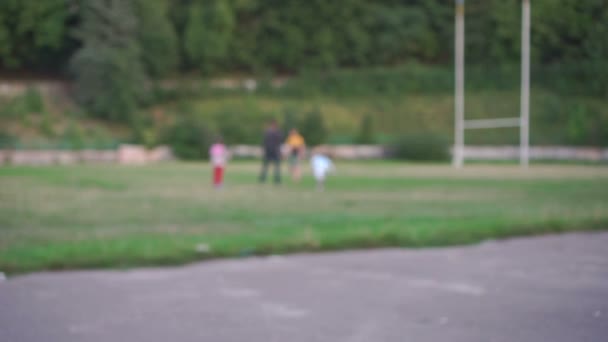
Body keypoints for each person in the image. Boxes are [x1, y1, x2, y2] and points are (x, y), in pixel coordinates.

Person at [259, 120, 283, 184]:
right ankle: (263, 179)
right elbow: (264, 142)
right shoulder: (272, 132)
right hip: (270, 151)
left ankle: (276, 180)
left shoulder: (274, 132)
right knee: (267, 166)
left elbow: (279, 142)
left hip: (273, 151)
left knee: (275, 167)